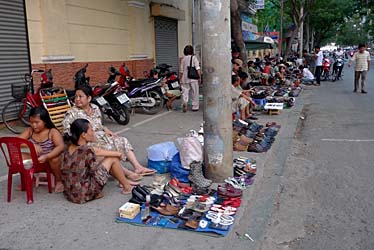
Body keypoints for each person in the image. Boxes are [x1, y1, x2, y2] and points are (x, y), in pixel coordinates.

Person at [62, 85, 156, 178]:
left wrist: (105, 129)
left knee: (122, 140)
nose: (77, 99)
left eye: (80, 96)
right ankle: (126, 174)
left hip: (101, 137)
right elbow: (67, 132)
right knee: (108, 149)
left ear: (89, 98)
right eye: (76, 97)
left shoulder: (95, 108)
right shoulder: (72, 113)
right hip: (87, 142)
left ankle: (138, 167)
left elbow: (98, 125)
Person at [62, 119, 135, 203]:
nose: (93, 132)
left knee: (106, 159)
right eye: (91, 130)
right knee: (113, 159)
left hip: (70, 193)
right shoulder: (87, 150)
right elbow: (94, 170)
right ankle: (127, 187)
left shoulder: (69, 146)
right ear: (84, 135)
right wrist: (118, 155)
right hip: (82, 194)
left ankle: (123, 181)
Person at [19, 107, 65, 193]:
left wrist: (47, 156)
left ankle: (59, 180)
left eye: (37, 122)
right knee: (19, 156)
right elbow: (17, 142)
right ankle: (29, 179)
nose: (34, 125)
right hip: (37, 160)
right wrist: (31, 145)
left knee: (54, 158)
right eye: (31, 122)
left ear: (45, 121)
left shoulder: (52, 132)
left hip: (51, 160)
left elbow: (60, 146)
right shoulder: (30, 131)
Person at [179, 45, 201, 112]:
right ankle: (195, 106)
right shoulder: (194, 58)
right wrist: (199, 77)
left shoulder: (183, 59)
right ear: (192, 51)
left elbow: (181, 70)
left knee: (185, 91)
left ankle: (185, 102)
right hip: (193, 78)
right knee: (195, 92)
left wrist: (180, 78)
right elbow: (198, 68)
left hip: (185, 78)